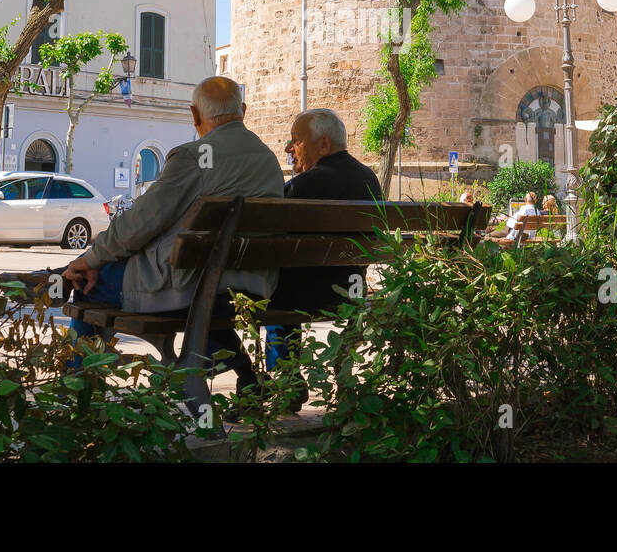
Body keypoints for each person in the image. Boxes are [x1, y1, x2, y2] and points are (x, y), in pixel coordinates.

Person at [58, 76, 282, 392]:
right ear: (242, 110)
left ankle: (76, 391)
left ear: (195, 115)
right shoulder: (268, 160)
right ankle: (247, 377)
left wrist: (91, 258)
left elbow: (139, 223)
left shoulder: (194, 156)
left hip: (190, 288)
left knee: (87, 283)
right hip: (253, 287)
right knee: (210, 298)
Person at [269, 108, 382, 411]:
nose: (289, 148)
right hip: (352, 293)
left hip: (302, 296)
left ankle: (288, 379)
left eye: (296, 141)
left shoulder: (303, 186)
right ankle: (342, 372)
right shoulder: (369, 179)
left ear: (322, 144)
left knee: (271, 294)